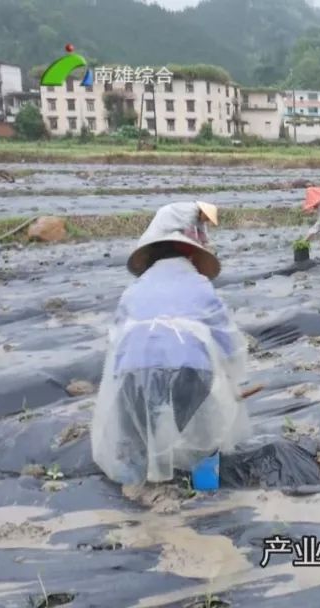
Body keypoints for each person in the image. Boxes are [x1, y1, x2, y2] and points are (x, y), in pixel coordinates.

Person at [90, 205, 249, 485]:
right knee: (204, 433)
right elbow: (227, 340)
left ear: (151, 259)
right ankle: (205, 492)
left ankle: (135, 498)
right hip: (189, 368)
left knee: (137, 436)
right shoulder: (200, 285)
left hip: (133, 369)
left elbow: (116, 341)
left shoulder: (134, 290)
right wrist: (232, 378)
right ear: (191, 255)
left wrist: (125, 381)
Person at [148, 201, 219, 246]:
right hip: (167, 215)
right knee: (163, 233)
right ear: (204, 213)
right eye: (207, 218)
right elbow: (189, 230)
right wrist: (196, 244)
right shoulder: (192, 211)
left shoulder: (200, 218)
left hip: (176, 219)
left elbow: (202, 232)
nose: (207, 220)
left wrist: (205, 243)